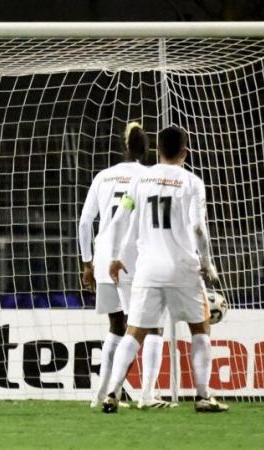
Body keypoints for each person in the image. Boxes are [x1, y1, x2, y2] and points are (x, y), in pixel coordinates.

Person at [102, 126, 228, 413]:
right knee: (200, 328)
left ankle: (112, 394)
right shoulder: (192, 182)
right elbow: (198, 227)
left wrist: (116, 256)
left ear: (157, 150)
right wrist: (207, 263)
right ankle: (203, 395)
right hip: (184, 269)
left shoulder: (140, 180)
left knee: (134, 332)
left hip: (148, 270)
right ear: (184, 152)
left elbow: (121, 216)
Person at [79, 122, 172, 409]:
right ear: (147, 151)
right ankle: (147, 395)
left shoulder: (104, 176)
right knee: (152, 327)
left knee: (116, 327)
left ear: (124, 147)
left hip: (104, 256)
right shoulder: (150, 177)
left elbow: (85, 223)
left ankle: (103, 394)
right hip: (134, 260)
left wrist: (87, 263)